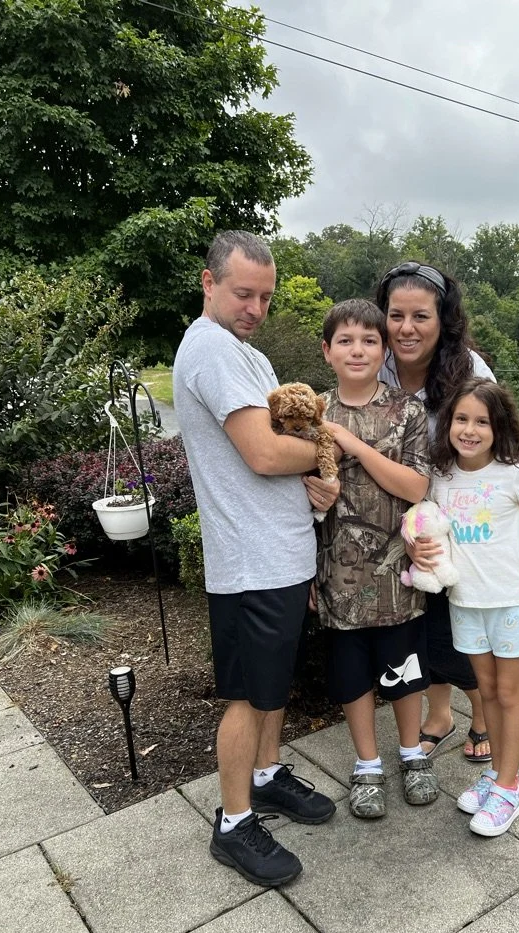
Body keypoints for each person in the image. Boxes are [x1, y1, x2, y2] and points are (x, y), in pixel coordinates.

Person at [173, 230, 339, 888]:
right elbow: (266, 453)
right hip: (250, 562)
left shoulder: (247, 356)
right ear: (209, 283)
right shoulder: (211, 349)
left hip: (281, 555)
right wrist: (333, 452)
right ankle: (234, 821)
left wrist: (311, 480)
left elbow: (280, 447)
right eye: (243, 293)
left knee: (273, 687)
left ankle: (266, 778)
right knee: (247, 695)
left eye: (265, 297)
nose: (255, 308)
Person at [375, 262, 519, 762]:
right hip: (406, 519)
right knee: (422, 622)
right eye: (396, 315)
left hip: (466, 521)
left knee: (462, 616)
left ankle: (481, 715)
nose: (406, 328)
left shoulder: (469, 371)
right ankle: (439, 713)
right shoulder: (376, 363)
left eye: (421, 316)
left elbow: (510, 469)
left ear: (443, 319)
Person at [312, 297, 435, 819]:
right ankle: (367, 764)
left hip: (397, 575)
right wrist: (310, 491)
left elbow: (417, 486)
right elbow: (297, 484)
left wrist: (354, 446)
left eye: (368, 340)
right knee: (352, 674)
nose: (357, 349)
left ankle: (412, 755)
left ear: (383, 350)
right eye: (345, 340)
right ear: (327, 351)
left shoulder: (407, 411)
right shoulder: (314, 413)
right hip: (336, 573)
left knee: (403, 671)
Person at [427, 378, 519, 836]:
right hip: (465, 603)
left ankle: (509, 787)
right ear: (448, 424)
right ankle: (496, 775)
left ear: (498, 426)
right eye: (461, 419)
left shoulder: (514, 472)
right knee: (485, 695)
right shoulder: (440, 476)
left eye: (481, 421)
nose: (470, 429)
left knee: (509, 695)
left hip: (510, 604)